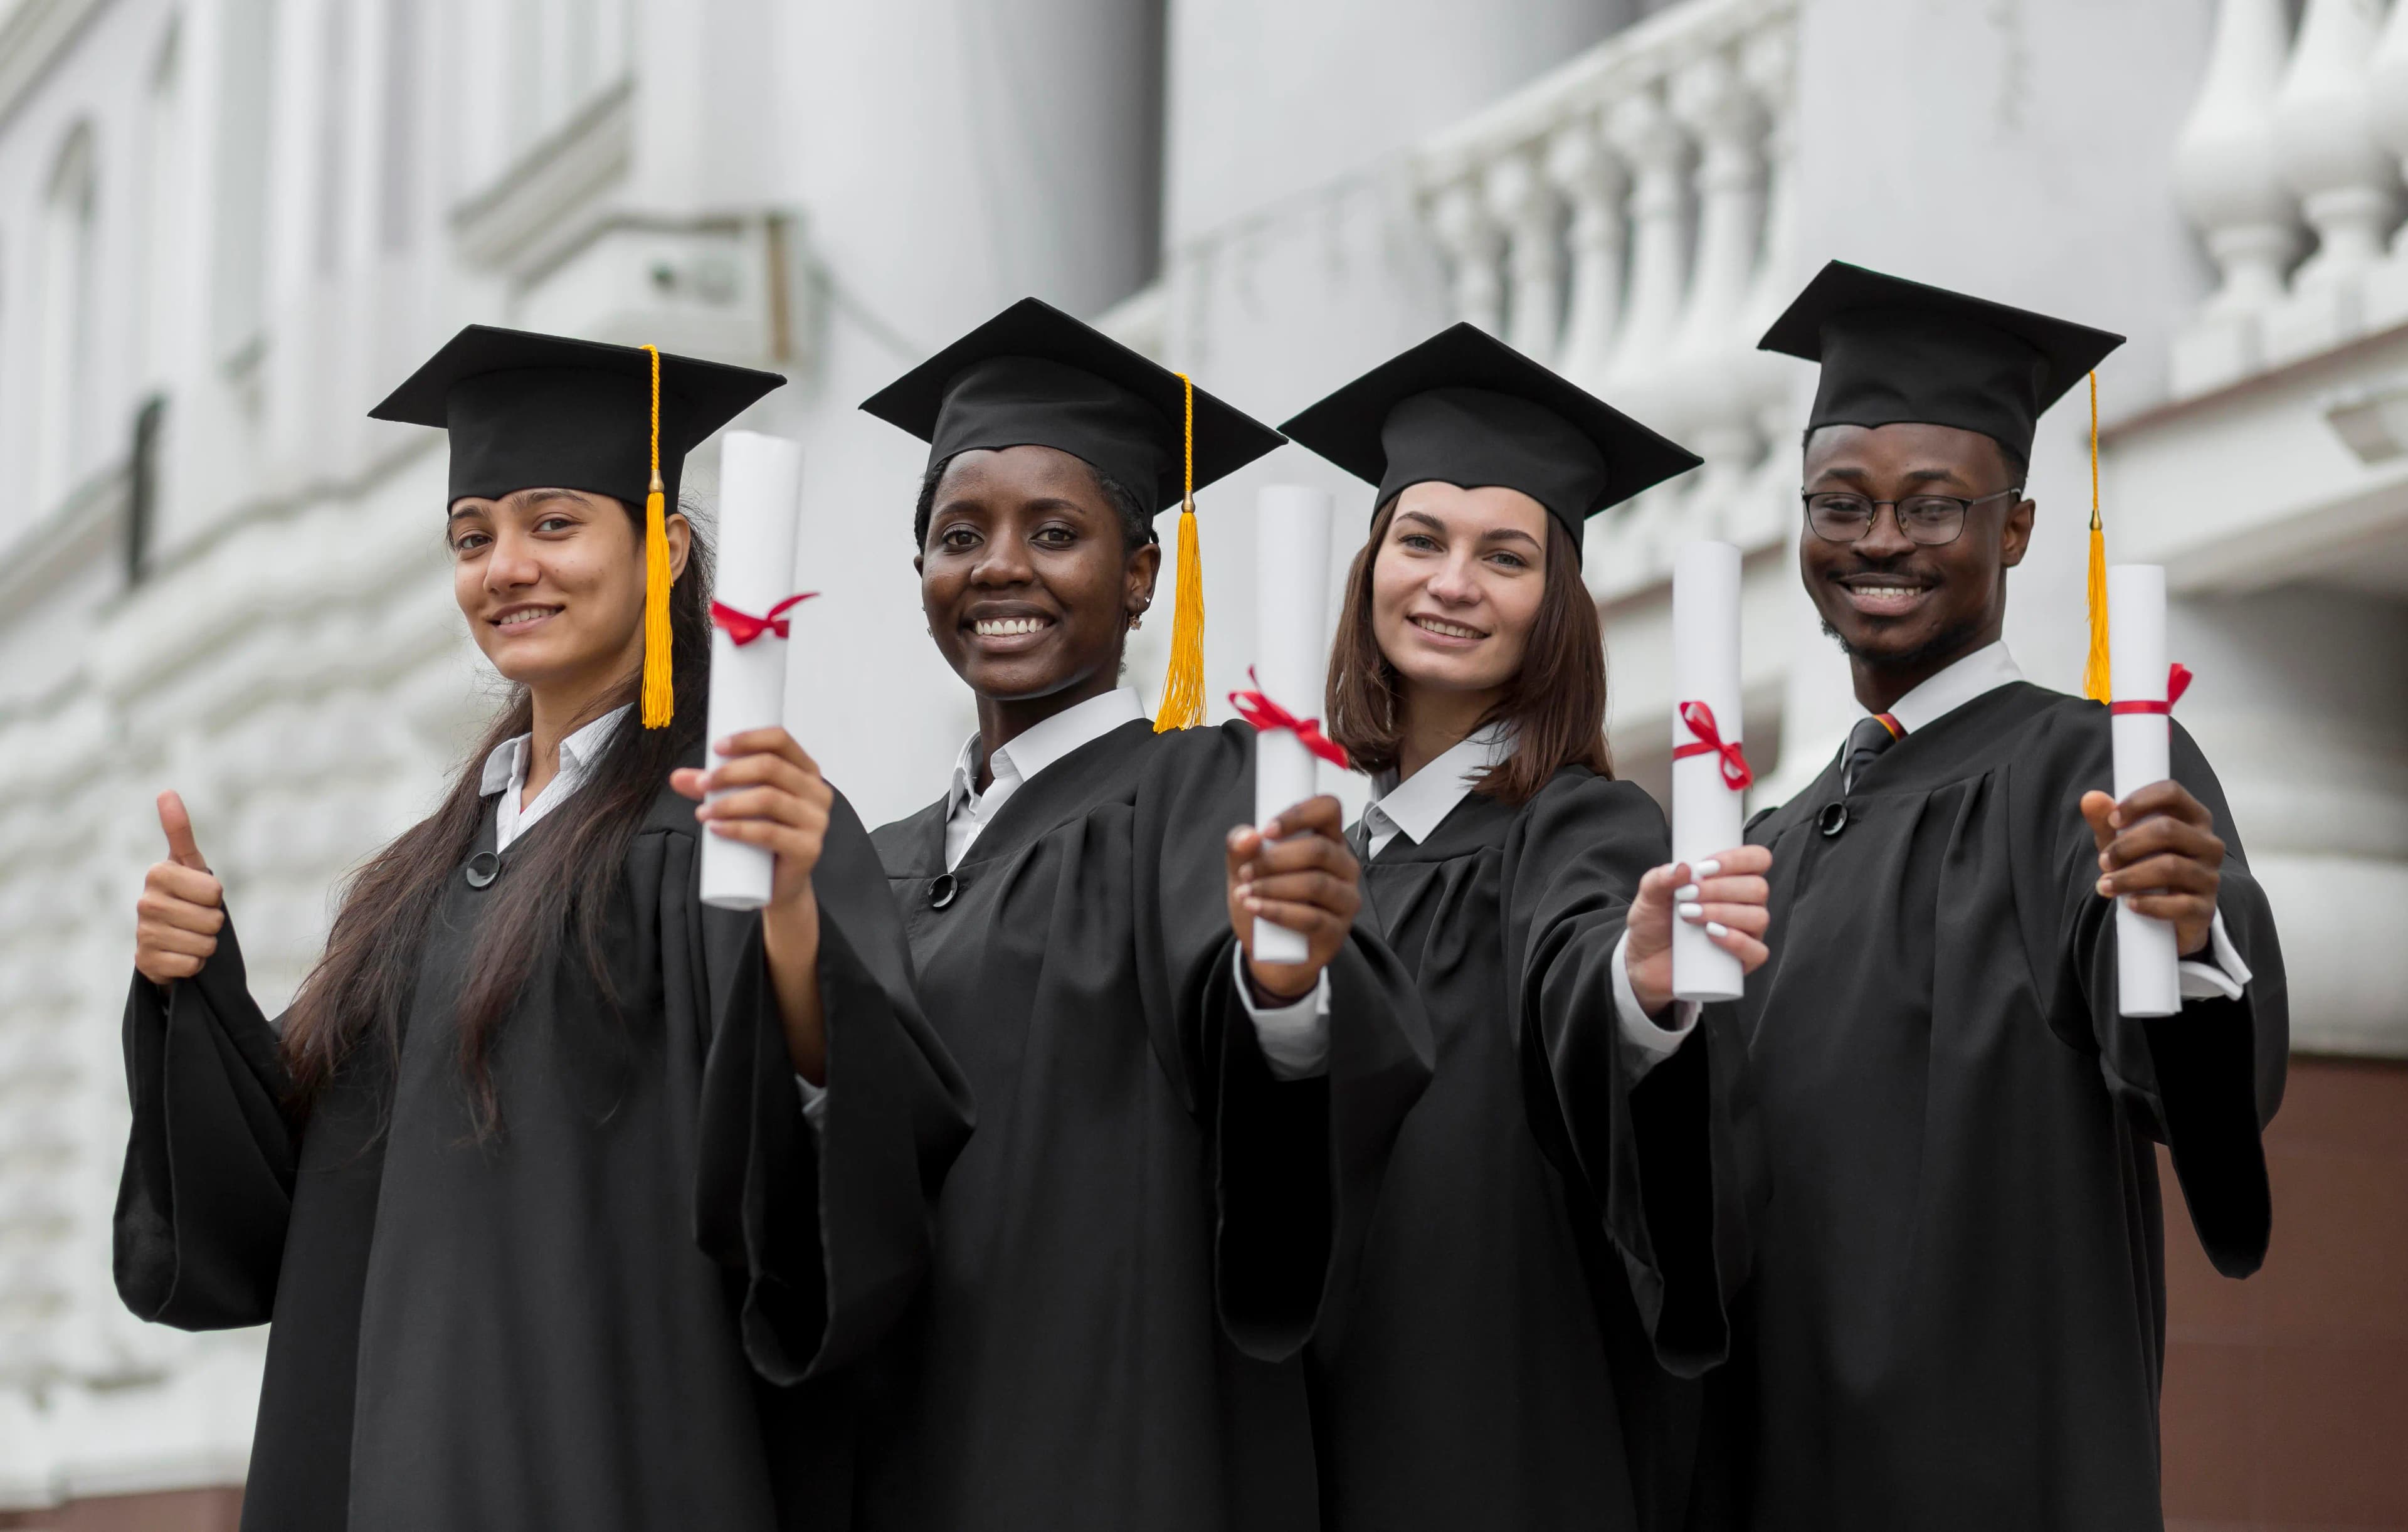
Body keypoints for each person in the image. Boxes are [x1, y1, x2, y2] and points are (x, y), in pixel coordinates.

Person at [117, 327, 973, 1531]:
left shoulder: (738, 830)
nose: (505, 566)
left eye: (553, 523)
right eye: (474, 537)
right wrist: (190, 988)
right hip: (393, 1468)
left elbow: (831, 1165)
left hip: (604, 1465)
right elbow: (286, 1201)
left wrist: (791, 922)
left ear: (663, 544)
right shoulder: (423, 879)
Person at [1699, 261, 2288, 1530]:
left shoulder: (2089, 775)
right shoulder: (1773, 840)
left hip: (1994, 1470)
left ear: (2014, 528)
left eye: (1932, 506)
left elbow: (2176, 1070)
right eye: (1840, 503)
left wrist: (2189, 936)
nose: (1880, 543)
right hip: (1774, 1471)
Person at [837, 297, 1431, 1532]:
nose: (1000, 567)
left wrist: (1286, 987)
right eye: (961, 535)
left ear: (1142, 569)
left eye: (1056, 531)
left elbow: (1286, 1044)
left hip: (1118, 1449)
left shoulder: (1201, 791)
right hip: (900, 1445)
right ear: (922, 575)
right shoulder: (873, 862)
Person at [1278, 323, 1768, 1531]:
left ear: (1557, 607)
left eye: (1505, 556)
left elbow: (1579, 963)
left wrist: (1635, 992)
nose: (1452, 584)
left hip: (1486, 1422)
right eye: (1421, 540)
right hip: (1309, 1415)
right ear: (1371, 568)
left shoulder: (1579, 827)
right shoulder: (1329, 864)